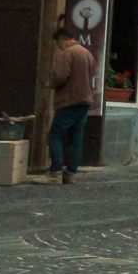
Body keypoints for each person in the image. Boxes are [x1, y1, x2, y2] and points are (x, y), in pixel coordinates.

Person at [43, 20, 96, 184]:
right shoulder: (87, 53)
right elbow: (92, 75)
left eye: (57, 43)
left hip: (69, 100)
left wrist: (49, 83)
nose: (58, 47)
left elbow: (60, 76)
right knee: (76, 137)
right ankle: (71, 173)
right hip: (85, 100)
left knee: (55, 135)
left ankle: (55, 172)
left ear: (62, 40)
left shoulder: (67, 53)